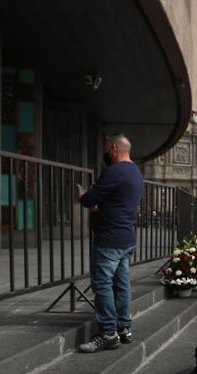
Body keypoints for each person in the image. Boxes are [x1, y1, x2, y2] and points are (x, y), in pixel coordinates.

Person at [76, 134, 144, 353]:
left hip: (110, 239)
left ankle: (107, 332)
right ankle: (124, 328)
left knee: (103, 284)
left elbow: (90, 200)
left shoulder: (114, 171)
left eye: (106, 148)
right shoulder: (135, 172)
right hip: (126, 237)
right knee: (122, 284)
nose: (105, 153)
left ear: (114, 148)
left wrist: (83, 194)